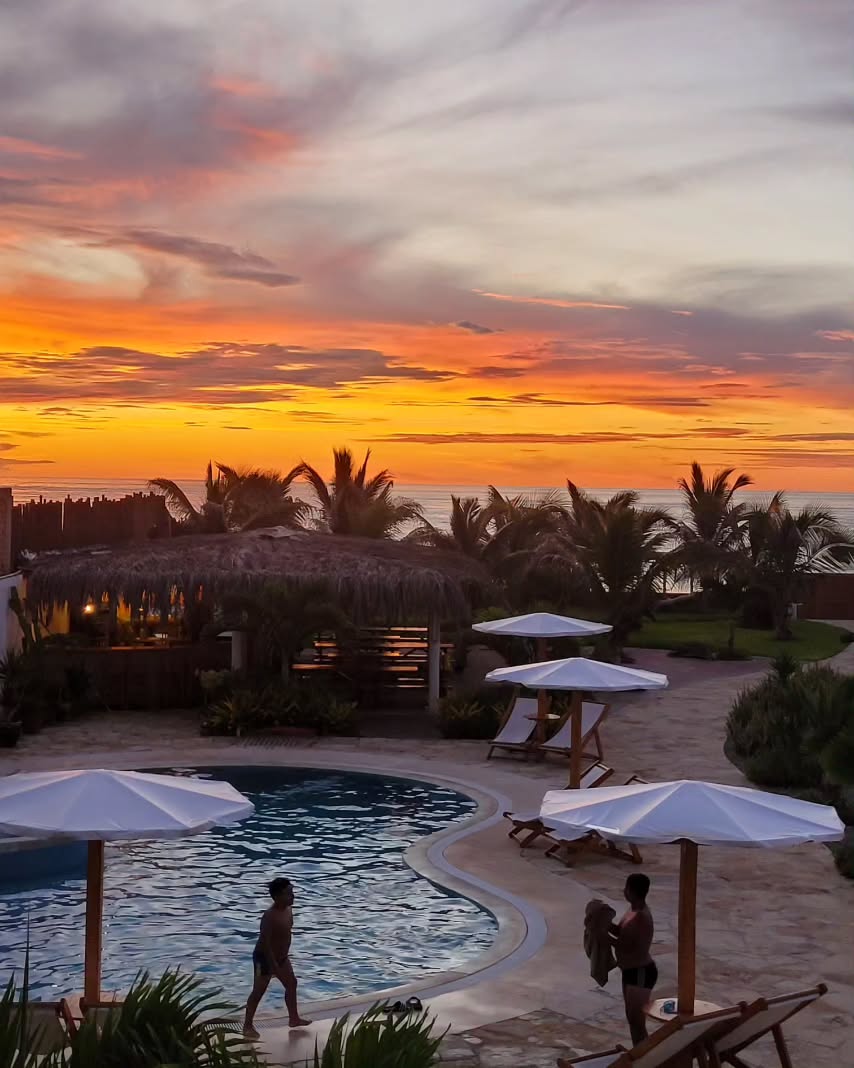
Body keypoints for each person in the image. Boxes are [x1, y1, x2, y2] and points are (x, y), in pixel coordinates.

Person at [243, 877, 311, 1038]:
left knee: (292, 984)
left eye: (292, 892)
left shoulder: (288, 910)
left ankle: (294, 1018)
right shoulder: (269, 916)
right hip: (264, 959)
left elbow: (285, 934)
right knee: (259, 991)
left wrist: (283, 958)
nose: (293, 896)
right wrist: (274, 966)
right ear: (277, 896)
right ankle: (247, 1025)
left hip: (282, 957)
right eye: (289, 894)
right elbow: (266, 944)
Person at [610, 872, 657, 1046]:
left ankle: (646, 1058)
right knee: (632, 1020)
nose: (624, 891)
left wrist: (602, 936)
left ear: (631, 890)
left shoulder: (641, 917)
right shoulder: (633, 910)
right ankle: (640, 1055)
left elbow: (626, 946)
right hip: (630, 971)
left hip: (640, 971)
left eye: (626, 887)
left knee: (637, 1022)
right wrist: (604, 924)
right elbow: (621, 933)